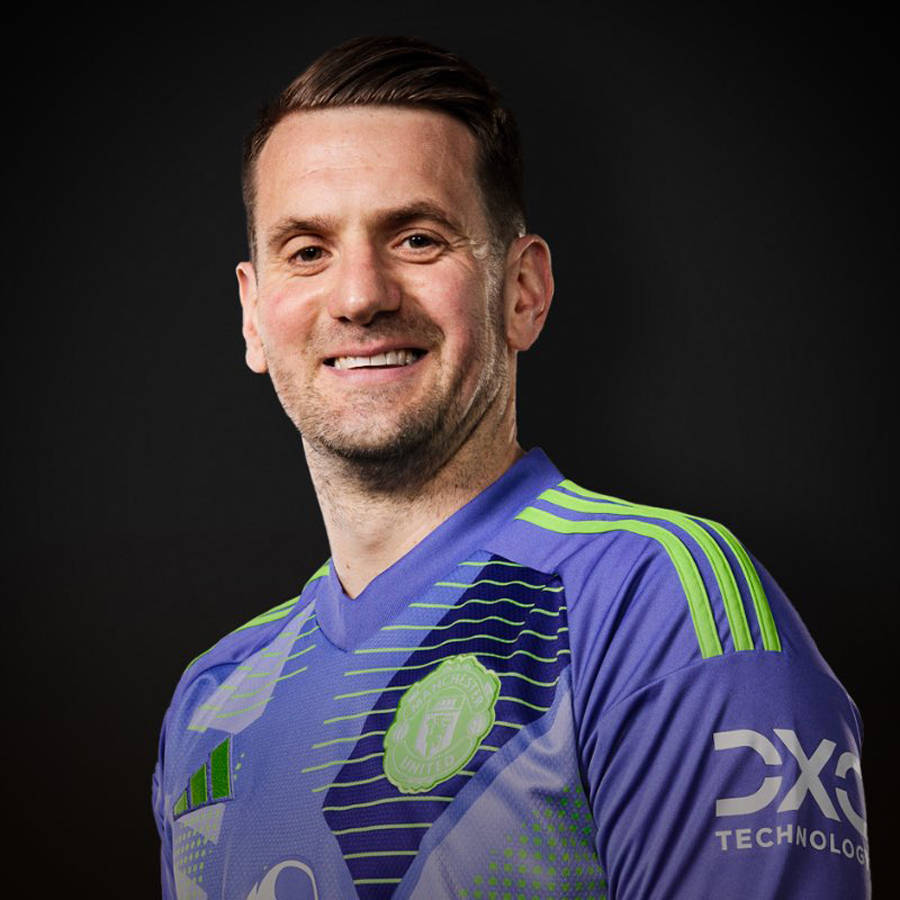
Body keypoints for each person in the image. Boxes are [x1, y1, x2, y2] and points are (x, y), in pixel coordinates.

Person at [153, 35, 870, 899]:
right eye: (307, 251)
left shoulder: (659, 604)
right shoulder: (215, 700)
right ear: (253, 315)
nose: (360, 295)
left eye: (417, 238)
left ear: (523, 291)